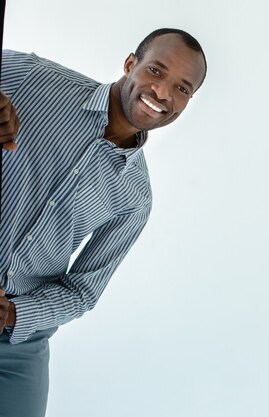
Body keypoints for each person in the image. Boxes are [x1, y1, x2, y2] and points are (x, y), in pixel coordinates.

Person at [0, 28, 207, 417]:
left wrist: (12, 315)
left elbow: (82, 291)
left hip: (14, 344)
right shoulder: (33, 77)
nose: (162, 94)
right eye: (157, 71)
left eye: (182, 89)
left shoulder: (135, 197)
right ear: (131, 64)